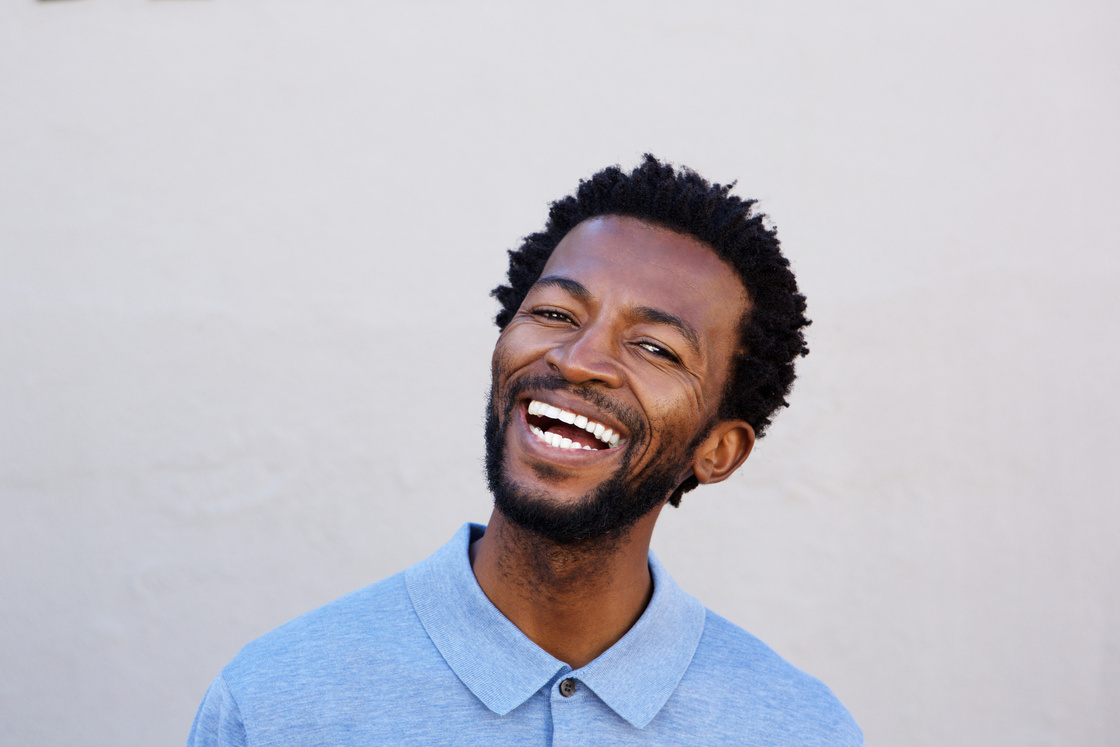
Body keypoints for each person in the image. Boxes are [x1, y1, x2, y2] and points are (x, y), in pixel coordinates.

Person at [187, 156, 863, 745]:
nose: (578, 360)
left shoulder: (801, 730)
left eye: (656, 347)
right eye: (555, 314)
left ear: (718, 449)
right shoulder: (275, 706)